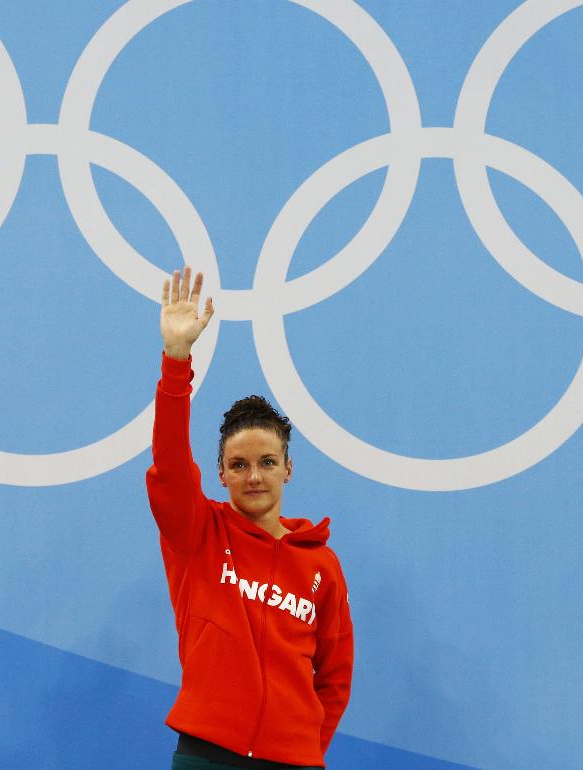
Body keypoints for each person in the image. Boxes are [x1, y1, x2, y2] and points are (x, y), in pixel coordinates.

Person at [147, 267, 353, 769]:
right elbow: (170, 466)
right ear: (220, 474)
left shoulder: (322, 566)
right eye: (238, 465)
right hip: (206, 755)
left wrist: (301, 750)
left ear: (288, 468)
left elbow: (334, 679)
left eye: (267, 462)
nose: (254, 476)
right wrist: (176, 361)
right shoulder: (197, 533)